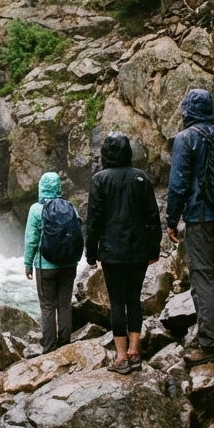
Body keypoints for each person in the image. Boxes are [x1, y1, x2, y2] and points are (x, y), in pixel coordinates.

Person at [166, 89, 214, 367]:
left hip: (201, 217)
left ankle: (209, 345)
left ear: (187, 111)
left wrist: (172, 220)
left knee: (203, 278)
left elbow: (178, 182)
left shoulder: (187, 138)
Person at [84, 133, 161, 374]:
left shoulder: (99, 180)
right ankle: (135, 352)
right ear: (128, 152)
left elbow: (94, 220)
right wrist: (154, 248)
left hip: (112, 251)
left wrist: (91, 252)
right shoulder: (140, 177)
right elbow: (152, 217)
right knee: (134, 298)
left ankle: (120, 357)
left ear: (105, 154)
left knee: (117, 302)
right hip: (138, 249)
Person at [24, 172, 80, 354]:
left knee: (47, 306)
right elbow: (78, 233)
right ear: (58, 188)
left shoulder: (35, 210)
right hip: (69, 264)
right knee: (64, 304)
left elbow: (31, 239)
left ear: (41, 187)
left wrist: (27, 263)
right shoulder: (70, 207)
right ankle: (65, 345)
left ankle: (49, 348)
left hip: (45, 266)